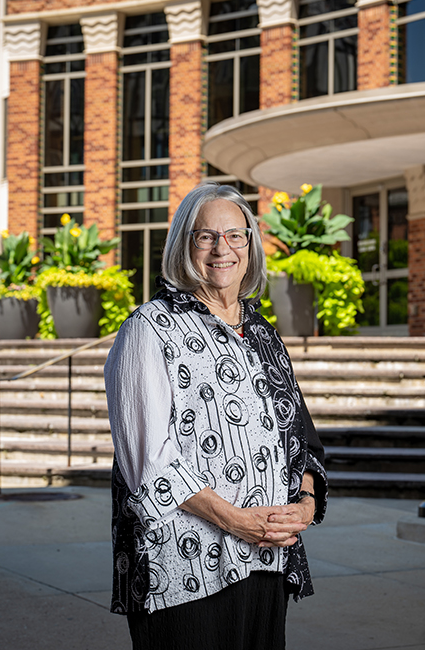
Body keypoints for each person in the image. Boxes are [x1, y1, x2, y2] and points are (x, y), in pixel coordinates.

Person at [104, 182, 328, 650]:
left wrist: (304, 507)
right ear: (184, 245)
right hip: (185, 574)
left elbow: (301, 437)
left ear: (250, 245)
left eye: (235, 236)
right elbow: (149, 464)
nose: (221, 249)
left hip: (268, 558)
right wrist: (236, 521)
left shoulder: (262, 332)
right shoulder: (148, 329)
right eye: (205, 236)